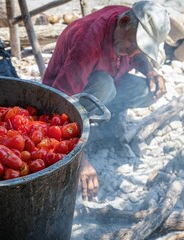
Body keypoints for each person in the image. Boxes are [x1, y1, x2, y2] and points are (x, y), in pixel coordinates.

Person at [42, 1, 171, 201]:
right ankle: (83, 124)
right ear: (124, 22)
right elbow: (59, 103)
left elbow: (135, 54)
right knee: (104, 85)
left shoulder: (125, 22)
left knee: (147, 90)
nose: (132, 53)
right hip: (67, 93)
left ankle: (100, 119)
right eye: (133, 46)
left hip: (107, 83)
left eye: (139, 49)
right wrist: (79, 161)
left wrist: (150, 71)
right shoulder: (88, 42)